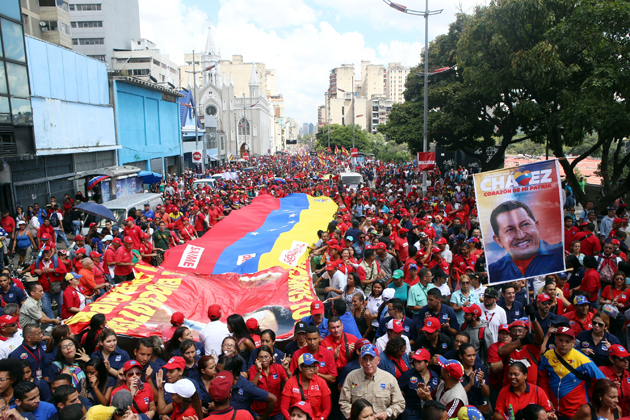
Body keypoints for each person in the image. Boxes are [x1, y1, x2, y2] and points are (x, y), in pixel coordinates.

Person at [538, 326, 606, 420]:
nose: (563, 344)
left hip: (576, 413)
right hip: (553, 412)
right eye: (560, 340)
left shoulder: (583, 359)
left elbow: (601, 380)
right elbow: (543, 380)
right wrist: (546, 401)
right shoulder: (547, 356)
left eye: (567, 341)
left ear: (573, 343)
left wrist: (589, 396)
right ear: (555, 340)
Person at [487, 200, 564, 281]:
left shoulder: (561, 255)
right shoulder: (493, 272)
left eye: (525, 224)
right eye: (510, 230)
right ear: (498, 241)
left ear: (536, 226)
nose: (520, 236)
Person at [339, 344, 406, 419]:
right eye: (365, 359)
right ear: (360, 360)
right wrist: (355, 416)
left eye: (371, 359)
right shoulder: (351, 377)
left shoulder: (389, 379)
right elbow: (344, 402)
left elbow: (400, 403)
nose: (368, 363)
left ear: (378, 360)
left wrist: (387, 413)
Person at [216, 355, 277, 420]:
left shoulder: (246, 386)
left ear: (230, 372)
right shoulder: (219, 382)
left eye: (218, 371)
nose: (215, 373)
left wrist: (262, 419)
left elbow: (273, 399)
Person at [280, 353, 331, 420]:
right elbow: (283, 407)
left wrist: (321, 419)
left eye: (313, 366)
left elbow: (327, 408)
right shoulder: (290, 382)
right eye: (308, 367)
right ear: (300, 368)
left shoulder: (321, 382)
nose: (312, 370)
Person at [248, 344, 289, 420]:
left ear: (271, 358)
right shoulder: (253, 369)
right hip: (259, 412)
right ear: (257, 358)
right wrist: (258, 372)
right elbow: (251, 389)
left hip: (276, 412)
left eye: (266, 357)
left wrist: (287, 369)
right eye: (261, 357)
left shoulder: (278, 368)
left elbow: (290, 384)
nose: (263, 360)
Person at [398, 348, 439, 420]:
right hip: (411, 413)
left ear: (427, 363)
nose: (416, 364)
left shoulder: (434, 376)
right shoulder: (407, 375)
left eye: (419, 362)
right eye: (414, 361)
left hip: (428, 413)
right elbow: (397, 390)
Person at [457, 344, 490, 415]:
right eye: (469, 356)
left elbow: (487, 394)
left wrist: (481, 382)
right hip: (464, 410)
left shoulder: (480, 368)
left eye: (474, 355)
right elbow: (457, 396)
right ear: (461, 356)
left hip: (480, 409)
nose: (472, 358)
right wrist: (469, 384)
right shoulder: (457, 370)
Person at [600, 344, 630, 416]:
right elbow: (594, 393)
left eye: (627, 358)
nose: (626, 361)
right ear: (612, 359)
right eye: (621, 358)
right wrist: (607, 386)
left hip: (625, 414)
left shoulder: (627, 374)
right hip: (608, 414)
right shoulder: (602, 371)